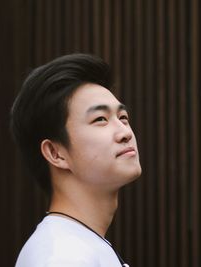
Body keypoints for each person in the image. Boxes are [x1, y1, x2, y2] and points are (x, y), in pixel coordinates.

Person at [10, 53, 142, 267]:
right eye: (100, 119)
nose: (124, 132)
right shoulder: (62, 257)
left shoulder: (79, 245)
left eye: (123, 117)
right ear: (55, 153)